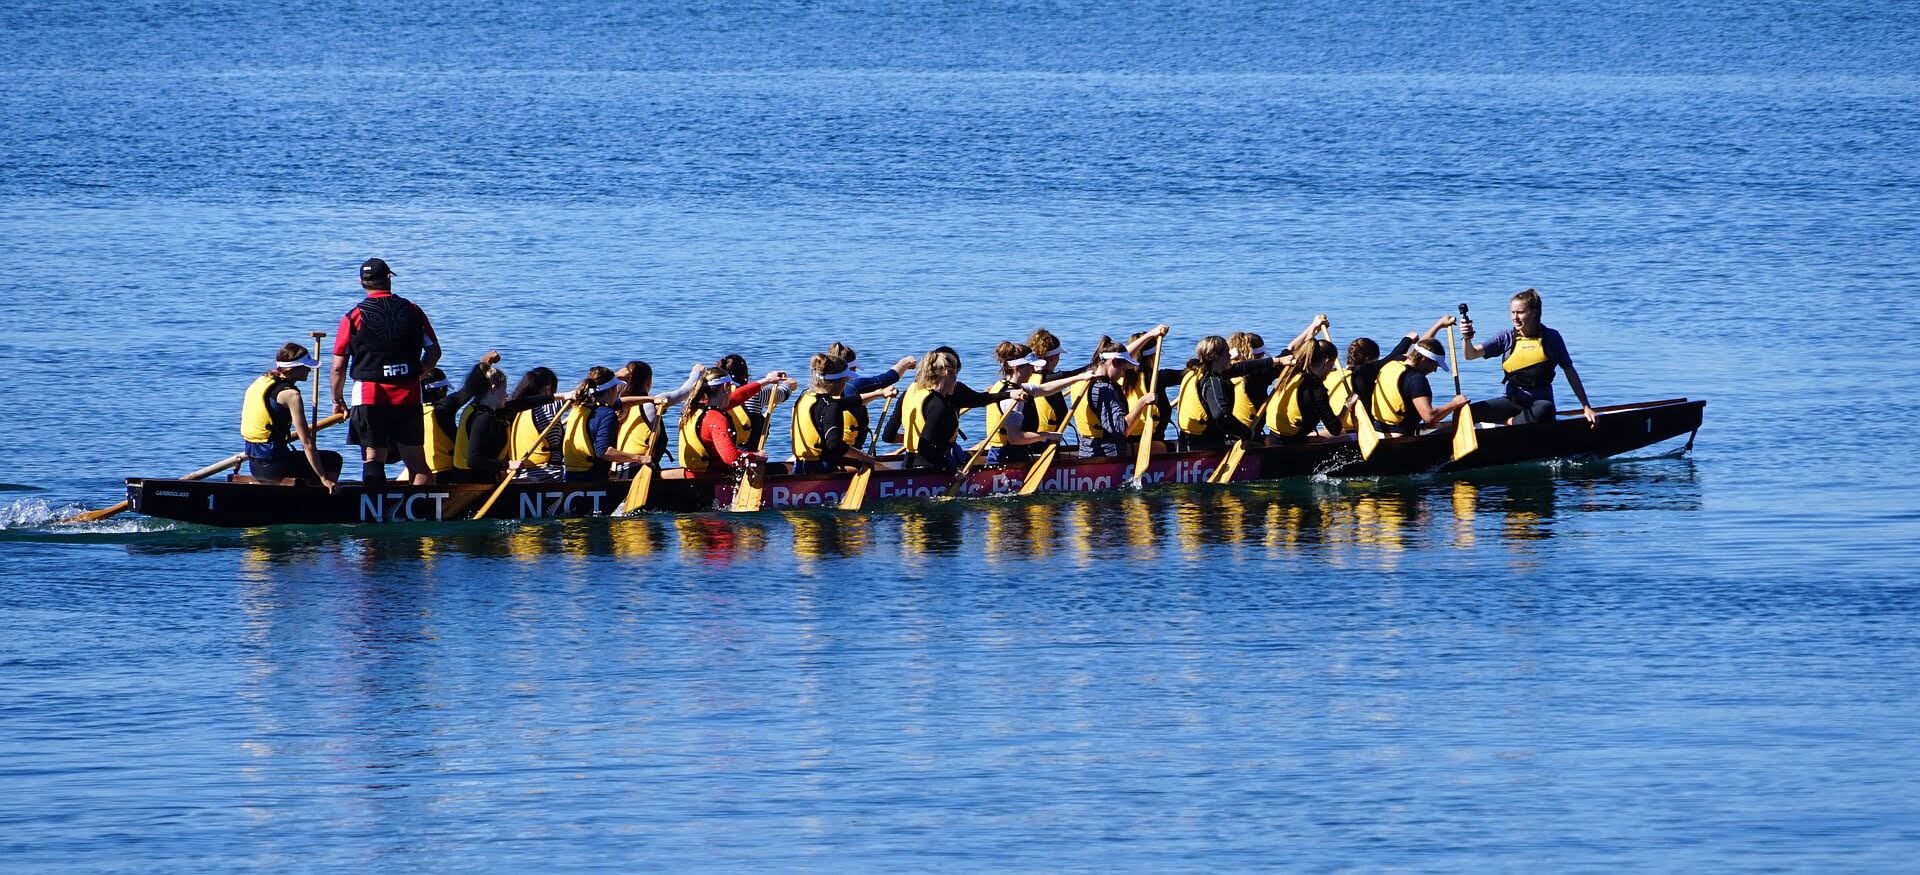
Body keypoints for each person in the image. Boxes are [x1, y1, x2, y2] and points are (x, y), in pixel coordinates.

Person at [329, 258, 440, 485]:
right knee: (417, 462)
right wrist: (418, 374)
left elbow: (338, 367)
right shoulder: (413, 311)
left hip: (369, 395)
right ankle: (422, 514)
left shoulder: (353, 317)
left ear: (362, 282)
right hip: (408, 395)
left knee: (373, 460)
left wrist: (337, 399)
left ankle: (374, 513)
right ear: (389, 278)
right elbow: (434, 352)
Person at [1462, 288, 1598, 428]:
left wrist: (1586, 406)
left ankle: (1509, 423)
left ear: (1533, 312)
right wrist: (1466, 338)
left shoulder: (1551, 337)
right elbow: (1470, 354)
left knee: (1546, 409)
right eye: (1512, 313)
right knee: (1466, 413)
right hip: (1512, 401)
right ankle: (1513, 423)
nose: (1515, 317)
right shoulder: (1506, 338)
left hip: (1539, 404)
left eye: (1520, 312)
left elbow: (1569, 371)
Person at [899, 348, 1027, 471]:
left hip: (910, 463)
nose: (956, 381)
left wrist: (1009, 394)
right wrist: (952, 471)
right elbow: (925, 447)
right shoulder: (939, 405)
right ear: (947, 374)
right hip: (928, 469)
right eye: (955, 374)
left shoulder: (914, 392)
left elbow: (979, 399)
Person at [241, 343, 342, 490]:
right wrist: (323, 478)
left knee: (303, 460)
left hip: (254, 465)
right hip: (275, 467)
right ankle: (325, 496)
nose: (309, 370)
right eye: (305, 366)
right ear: (290, 369)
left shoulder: (262, 381)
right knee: (333, 460)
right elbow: (307, 442)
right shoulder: (291, 395)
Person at [982, 342, 1082, 466]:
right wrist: (1046, 435)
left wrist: (1078, 378)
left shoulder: (1008, 386)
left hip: (1008, 454)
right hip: (1007, 458)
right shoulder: (1013, 398)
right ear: (1017, 368)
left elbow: (1044, 389)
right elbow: (1015, 438)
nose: (1033, 370)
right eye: (1030, 366)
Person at [1172, 335, 1276, 451]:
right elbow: (1222, 416)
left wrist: (1274, 361)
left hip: (1186, 443)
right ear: (1217, 357)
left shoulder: (1196, 372)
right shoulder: (1213, 381)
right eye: (1227, 352)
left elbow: (1240, 368)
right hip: (1205, 447)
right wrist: (1247, 434)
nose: (1230, 355)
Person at [458, 364, 557, 482]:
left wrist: (560, 397)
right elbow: (474, 459)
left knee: (530, 481)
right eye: (504, 389)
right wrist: (507, 465)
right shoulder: (482, 418)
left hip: (483, 477)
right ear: (493, 388)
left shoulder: (482, 409)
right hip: (471, 483)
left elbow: (521, 404)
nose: (506, 395)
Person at [680, 366, 783, 476]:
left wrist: (767, 380)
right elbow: (731, 457)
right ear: (726, 387)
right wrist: (757, 456)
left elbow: (740, 395)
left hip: (691, 477)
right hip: (710, 483)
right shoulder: (716, 418)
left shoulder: (695, 409)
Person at [791, 354, 884, 474]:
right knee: (868, 467)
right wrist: (863, 456)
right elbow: (834, 446)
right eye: (846, 380)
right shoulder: (831, 406)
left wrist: (878, 394)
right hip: (821, 469)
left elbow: (843, 403)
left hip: (799, 467)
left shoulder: (805, 396)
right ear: (840, 382)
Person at [560, 368, 656, 481]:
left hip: (570, 476)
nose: (617, 392)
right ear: (610, 390)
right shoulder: (607, 413)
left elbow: (620, 403)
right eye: (616, 388)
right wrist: (640, 459)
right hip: (592, 479)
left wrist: (649, 399)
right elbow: (604, 451)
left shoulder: (580, 406)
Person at [609, 360, 698, 479]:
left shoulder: (614, 405)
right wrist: (697, 372)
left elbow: (592, 388)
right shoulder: (653, 402)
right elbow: (686, 391)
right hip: (639, 469)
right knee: (691, 474)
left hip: (615, 470)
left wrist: (614, 376)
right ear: (648, 382)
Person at [1074, 339, 1161, 458]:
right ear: (1113, 362)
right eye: (1123, 369)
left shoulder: (1081, 378)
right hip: (1107, 457)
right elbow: (1122, 429)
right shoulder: (1105, 389)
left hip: (1085, 451)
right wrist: (1142, 402)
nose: (1123, 374)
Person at [1369, 337, 1469, 436]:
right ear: (1424, 359)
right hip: (1400, 438)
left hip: (1376, 434)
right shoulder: (1417, 380)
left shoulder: (1392, 364)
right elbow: (1429, 417)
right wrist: (1455, 403)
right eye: (1435, 365)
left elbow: (1419, 347)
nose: (1434, 370)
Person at [825, 342, 917, 449]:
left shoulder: (819, 390)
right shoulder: (854, 387)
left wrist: (878, 394)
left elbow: (860, 401)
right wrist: (905, 362)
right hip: (850, 453)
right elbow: (888, 378)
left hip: (826, 452)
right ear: (853, 368)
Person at [422, 351, 499, 477]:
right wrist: (485, 363)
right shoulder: (442, 409)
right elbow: (468, 391)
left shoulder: (414, 411)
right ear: (441, 389)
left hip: (424, 472)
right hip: (447, 474)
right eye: (446, 389)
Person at [1266, 337, 1348, 441]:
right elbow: (1335, 429)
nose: (1331, 370)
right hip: (1292, 442)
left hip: (1274, 435)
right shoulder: (1316, 388)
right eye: (1331, 365)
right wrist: (1347, 406)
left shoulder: (1290, 371)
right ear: (1326, 362)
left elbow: (1291, 347)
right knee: (1343, 437)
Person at [718, 354, 795, 450]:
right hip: (751, 452)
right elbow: (782, 394)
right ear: (745, 374)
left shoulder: (718, 397)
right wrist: (788, 385)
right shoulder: (757, 394)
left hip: (725, 450)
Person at [505, 367, 568, 481]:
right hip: (548, 475)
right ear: (548, 389)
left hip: (517, 475)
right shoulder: (549, 408)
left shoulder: (515, 410)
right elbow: (578, 397)